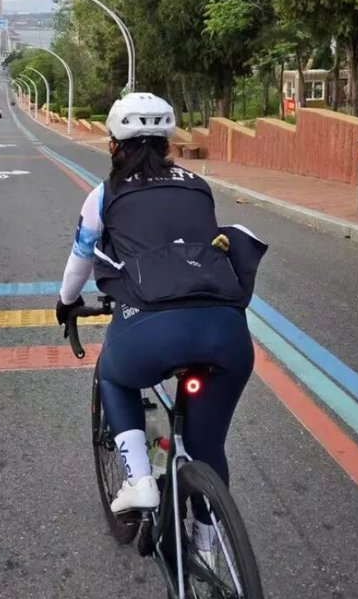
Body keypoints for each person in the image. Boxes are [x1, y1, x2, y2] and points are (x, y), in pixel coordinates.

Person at [55, 92, 267, 555]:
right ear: (168, 141)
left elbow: (81, 259)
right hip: (226, 332)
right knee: (207, 446)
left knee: (113, 373)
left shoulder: (104, 194)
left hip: (153, 328)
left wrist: (66, 303)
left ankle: (137, 479)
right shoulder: (197, 185)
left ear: (114, 145)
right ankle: (209, 547)